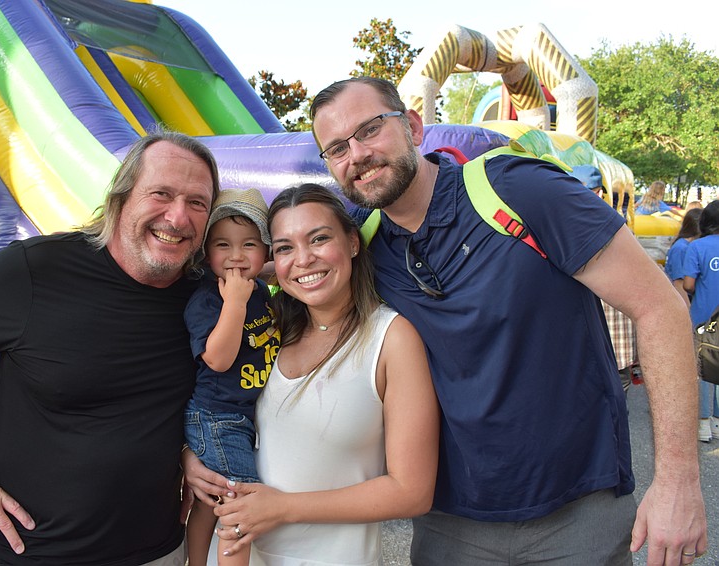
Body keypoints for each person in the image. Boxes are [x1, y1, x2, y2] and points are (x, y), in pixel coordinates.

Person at [302, 77, 705, 565]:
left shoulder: (516, 189)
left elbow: (660, 307)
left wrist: (679, 481)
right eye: (337, 148)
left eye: (369, 130)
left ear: (412, 125)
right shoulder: (363, 248)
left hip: (577, 510)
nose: (357, 155)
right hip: (449, 523)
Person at [0, 131, 220, 565]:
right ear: (121, 198)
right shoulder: (36, 270)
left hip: (158, 552)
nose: (178, 218)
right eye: (161, 194)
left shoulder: (208, 298)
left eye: (197, 203)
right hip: (29, 554)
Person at [185, 183, 439, 565]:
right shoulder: (271, 324)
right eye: (286, 247)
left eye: (319, 239)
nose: (302, 259)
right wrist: (194, 456)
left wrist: (284, 508)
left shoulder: (390, 338)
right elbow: (221, 401)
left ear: (353, 242)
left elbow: (412, 491)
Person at [183, 188, 279, 565]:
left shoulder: (258, 287)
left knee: (211, 503)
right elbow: (219, 360)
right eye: (223, 245)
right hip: (217, 418)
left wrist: (265, 274)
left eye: (249, 245)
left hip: (238, 415)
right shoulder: (208, 300)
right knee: (240, 501)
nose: (236, 256)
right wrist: (234, 303)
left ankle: (194, 561)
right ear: (208, 254)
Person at [570, 165, 636, 396]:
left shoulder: (560, 228)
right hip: (617, 341)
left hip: (578, 342)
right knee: (618, 406)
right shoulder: (620, 227)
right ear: (600, 193)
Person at [683, 200, 719, 443]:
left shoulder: (696, 247)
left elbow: (688, 284)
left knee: (703, 370)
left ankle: (704, 424)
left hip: (703, 318)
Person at [666, 208, 702, 306]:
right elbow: (679, 283)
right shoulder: (681, 249)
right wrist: (689, 312)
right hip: (679, 301)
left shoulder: (687, 246)